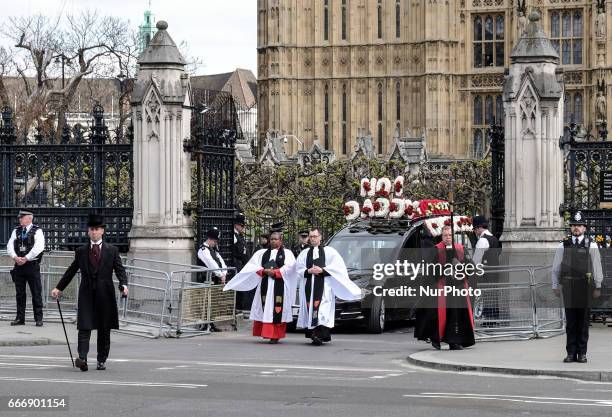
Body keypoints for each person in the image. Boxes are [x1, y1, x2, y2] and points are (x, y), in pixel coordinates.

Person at [51, 214, 128, 372]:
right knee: (84, 327)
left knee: (104, 329)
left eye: (97, 229)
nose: (94, 232)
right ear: (88, 231)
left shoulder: (112, 250)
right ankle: (83, 358)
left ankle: (101, 360)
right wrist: (59, 288)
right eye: (91, 229)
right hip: (87, 294)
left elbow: (120, 270)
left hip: (105, 294)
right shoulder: (81, 251)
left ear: (102, 231)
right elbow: (71, 271)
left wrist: (123, 284)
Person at [223, 231, 296, 344]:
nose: (273, 241)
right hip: (265, 284)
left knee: (276, 310)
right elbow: (252, 266)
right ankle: (266, 333)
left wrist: (276, 272)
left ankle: (275, 335)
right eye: (271, 239)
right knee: (265, 309)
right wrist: (263, 270)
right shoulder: (261, 253)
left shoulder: (287, 253)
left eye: (275, 239)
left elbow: (290, 267)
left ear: (280, 241)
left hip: (279, 285)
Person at [295, 227, 362, 345]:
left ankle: (320, 335)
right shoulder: (304, 253)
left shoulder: (330, 252)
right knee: (310, 309)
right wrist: (308, 271)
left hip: (324, 286)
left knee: (322, 311)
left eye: (315, 236)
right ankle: (313, 334)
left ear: (320, 237)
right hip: (309, 286)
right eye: (311, 237)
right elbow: (298, 268)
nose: (312, 239)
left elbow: (338, 268)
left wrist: (322, 270)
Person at [552, 211, 603, 363]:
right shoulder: (564, 244)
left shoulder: (591, 244)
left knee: (583, 322)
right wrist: (555, 285)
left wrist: (598, 285)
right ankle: (570, 353)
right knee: (571, 322)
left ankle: (582, 353)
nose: (576, 228)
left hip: (584, 287)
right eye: (574, 225)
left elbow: (596, 266)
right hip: (568, 286)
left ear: (585, 228)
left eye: (579, 225)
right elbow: (556, 267)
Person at [430, 226, 475, 350]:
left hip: (459, 287)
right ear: (441, 236)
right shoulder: (437, 250)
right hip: (444, 288)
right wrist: (445, 270)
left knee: (458, 315)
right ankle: (444, 340)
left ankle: (458, 340)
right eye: (445, 235)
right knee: (445, 315)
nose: (448, 238)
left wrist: (460, 267)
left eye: (450, 235)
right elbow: (432, 269)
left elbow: (471, 267)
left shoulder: (460, 249)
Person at [7, 210, 46, 327]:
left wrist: (26, 258)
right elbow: (10, 245)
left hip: (31, 265)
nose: (20, 219)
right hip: (18, 265)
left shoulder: (37, 231)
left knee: (36, 292)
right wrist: (15, 257)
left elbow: (39, 247)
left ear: (30, 218)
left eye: (22, 217)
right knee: (20, 293)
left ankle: (38, 318)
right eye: (20, 217)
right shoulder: (16, 230)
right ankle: (20, 318)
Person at [471, 215, 501, 320]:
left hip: (485, 273)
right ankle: (493, 318)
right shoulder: (494, 238)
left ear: (479, 227)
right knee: (493, 295)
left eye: (474, 229)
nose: (474, 231)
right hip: (494, 272)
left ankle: (489, 319)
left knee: (487, 296)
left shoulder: (482, 240)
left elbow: (476, 260)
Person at [230, 213, 251, 311]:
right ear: (236, 225)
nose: (243, 228)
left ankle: (240, 306)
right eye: (241, 225)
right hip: (236, 264)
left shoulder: (239, 235)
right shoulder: (233, 236)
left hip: (242, 264)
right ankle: (237, 307)